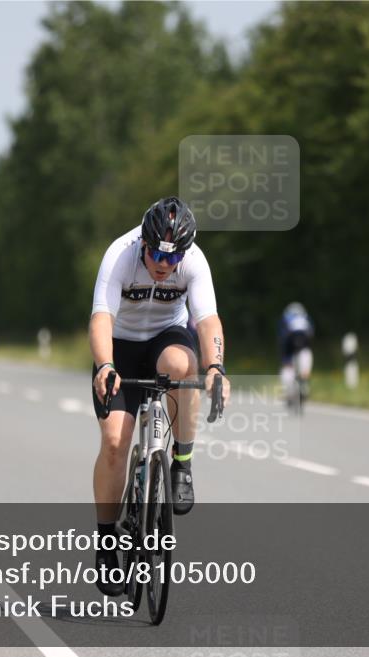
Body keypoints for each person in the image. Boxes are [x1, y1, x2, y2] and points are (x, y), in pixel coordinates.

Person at [90, 196, 230, 596]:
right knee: (115, 442)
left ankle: (181, 463)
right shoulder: (120, 255)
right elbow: (101, 316)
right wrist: (104, 365)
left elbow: (207, 320)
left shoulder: (195, 262)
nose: (163, 265)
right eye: (155, 255)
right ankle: (105, 543)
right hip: (120, 347)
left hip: (166, 339)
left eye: (173, 259)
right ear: (143, 244)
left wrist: (216, 368)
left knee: (184, 367)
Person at [278, 302, 314, 400]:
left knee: (287, 366)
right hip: (305, 342)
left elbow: (282, 337)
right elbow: (311, 333)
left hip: (289, 342)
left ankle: (287, 391)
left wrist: (285, 359)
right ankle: (304, 384)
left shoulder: (285, 318)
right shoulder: (305, 317)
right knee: (306, 358)